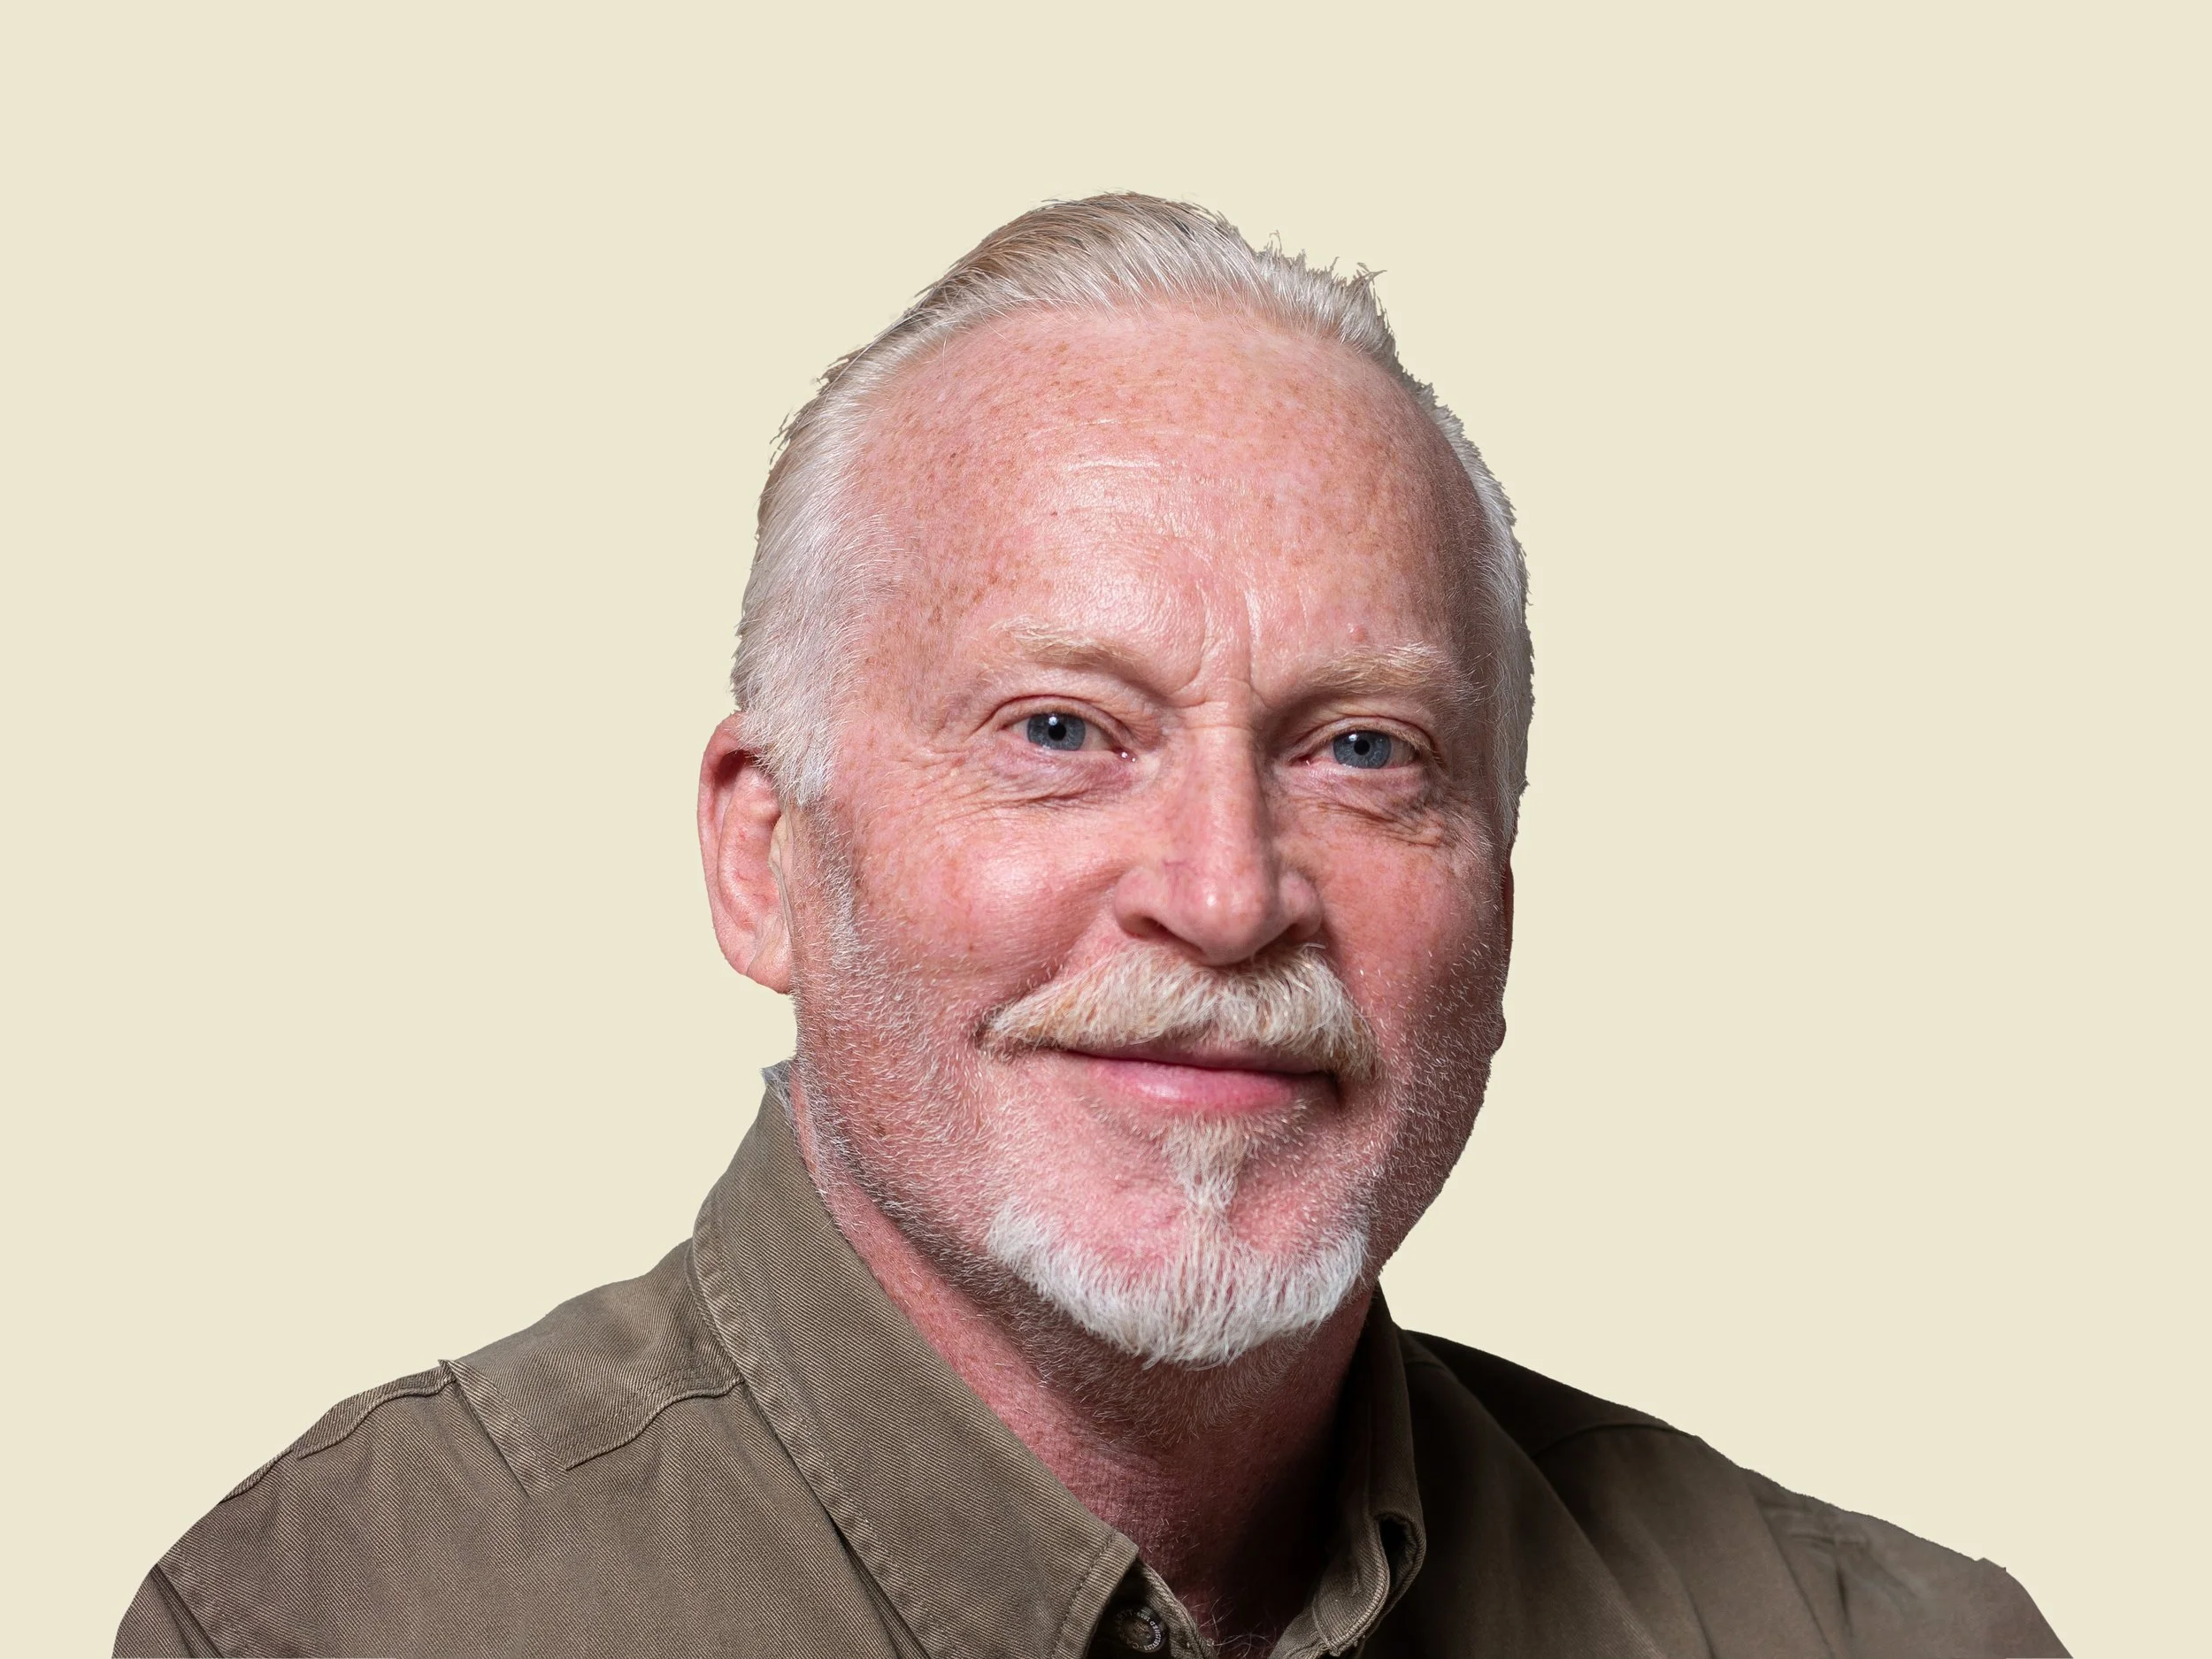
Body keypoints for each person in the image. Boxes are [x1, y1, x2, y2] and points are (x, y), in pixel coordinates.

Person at [116, 195, 2064, 1659]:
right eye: (1060, 731)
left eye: (1364, 750)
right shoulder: (347, 1615)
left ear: (1497, 877)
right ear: (763, 855)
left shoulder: (1876, 1637)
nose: (1223, 891)